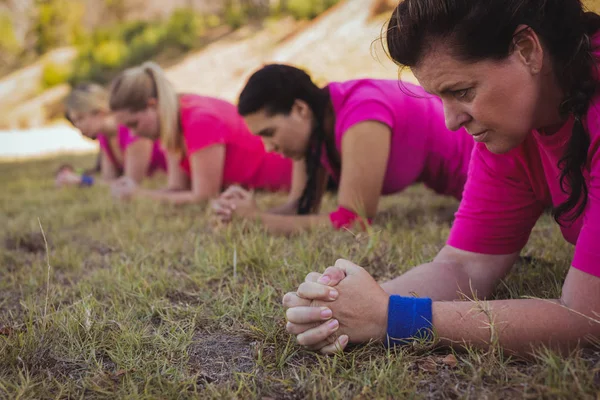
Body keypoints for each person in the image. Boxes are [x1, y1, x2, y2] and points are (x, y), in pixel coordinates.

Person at [282, 0, 600, 356]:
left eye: (462, 92)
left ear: (527, 51)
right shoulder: (513, 127)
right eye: (440, 97)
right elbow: (465, 264)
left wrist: (395, 318)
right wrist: (347, 303)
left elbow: (587, 318)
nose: (451, 121)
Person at [212, 64, 474, 234]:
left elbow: (354, 222)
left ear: (300, 110)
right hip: (464, 190)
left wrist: (257, 221)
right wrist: (245, 212)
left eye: (269, 133)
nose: (268, 147)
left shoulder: (362, 114)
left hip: (487, 167)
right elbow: (301, 208)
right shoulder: (315, 131)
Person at [108, 62, 293, 204]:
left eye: (134, 124)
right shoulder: (174, 121)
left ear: (152, 105)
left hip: (286, 178)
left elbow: (203, 196)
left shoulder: (199, 121)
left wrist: (140, 195)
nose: (134, 134)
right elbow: (177, 188)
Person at [56, 83, 166, 188]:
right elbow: (108, 180)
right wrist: (79, 179)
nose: (77, 126)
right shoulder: (104, 137)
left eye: (81, 118)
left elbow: (130, 184)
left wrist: (81, 180)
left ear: (100, 112)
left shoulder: (131, 130)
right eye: (75, 121)